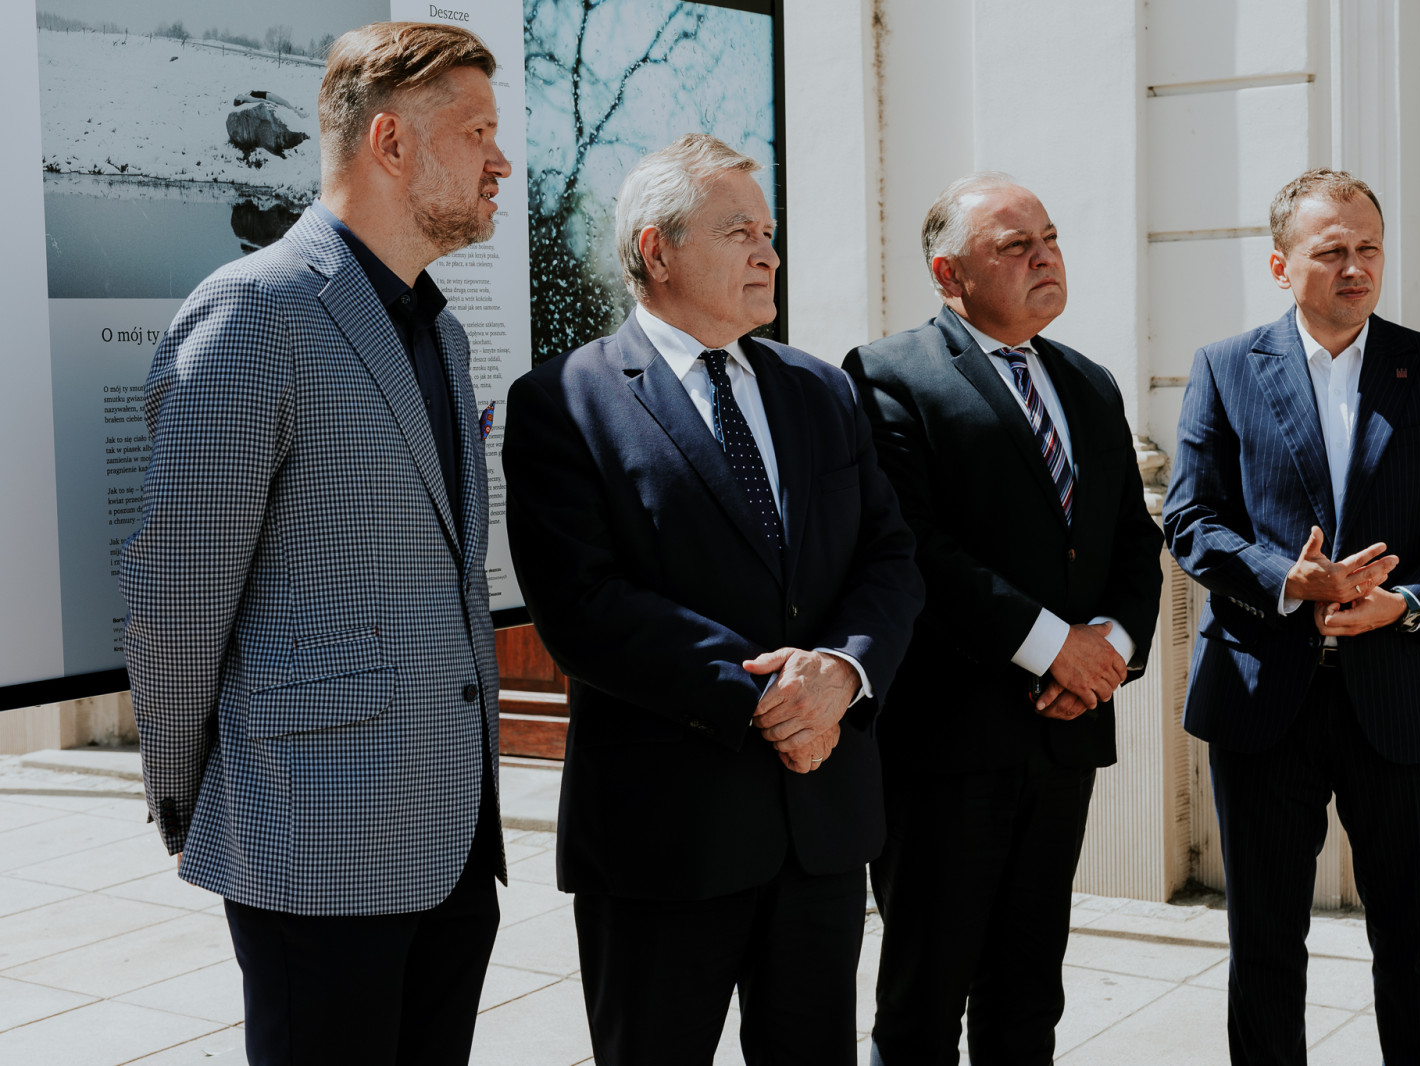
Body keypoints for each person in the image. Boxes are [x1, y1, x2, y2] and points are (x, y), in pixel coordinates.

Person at [119, 22, 511, 1065]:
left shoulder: (440, 329)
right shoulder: (254, 312)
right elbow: (178, 593)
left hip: (454, 840)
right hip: (313, 844)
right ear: (391, 142)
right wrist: (191, 794)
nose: (501, 162)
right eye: (477, 132)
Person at [500, 133, 923, 1066]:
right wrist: (771, 697)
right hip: (663, 837)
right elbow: (582, 606)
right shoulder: (563, 400)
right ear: (657, 250)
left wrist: (842, 672)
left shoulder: (820, 389)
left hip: (819, 826)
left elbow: (889, 557)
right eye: (740, 232)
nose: (768, 253)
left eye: (769, 233)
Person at [1163, 168, 1420, 1065]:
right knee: (1265, 944)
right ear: (1281, 266)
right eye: (1331, 252)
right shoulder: (1226, 367)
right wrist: (1288, 579)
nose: (1356, 268)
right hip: (1262, 697)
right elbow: (1191, 519)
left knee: (1413, 937)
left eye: (1368, 249)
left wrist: (1409, 603)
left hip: (1401, 694)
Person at [843, 173, 1165, 1064]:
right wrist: (1054, 648)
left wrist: (1110, 649)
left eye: (1050, 238)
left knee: (1028, 999)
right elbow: (914, 546)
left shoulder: (1088, 381)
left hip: (1064, 736)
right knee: (923, 1002)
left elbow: (1132, 539)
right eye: (1015, 246)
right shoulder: (888, 374)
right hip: (945, 745)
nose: (1045, 257)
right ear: (950, 274)